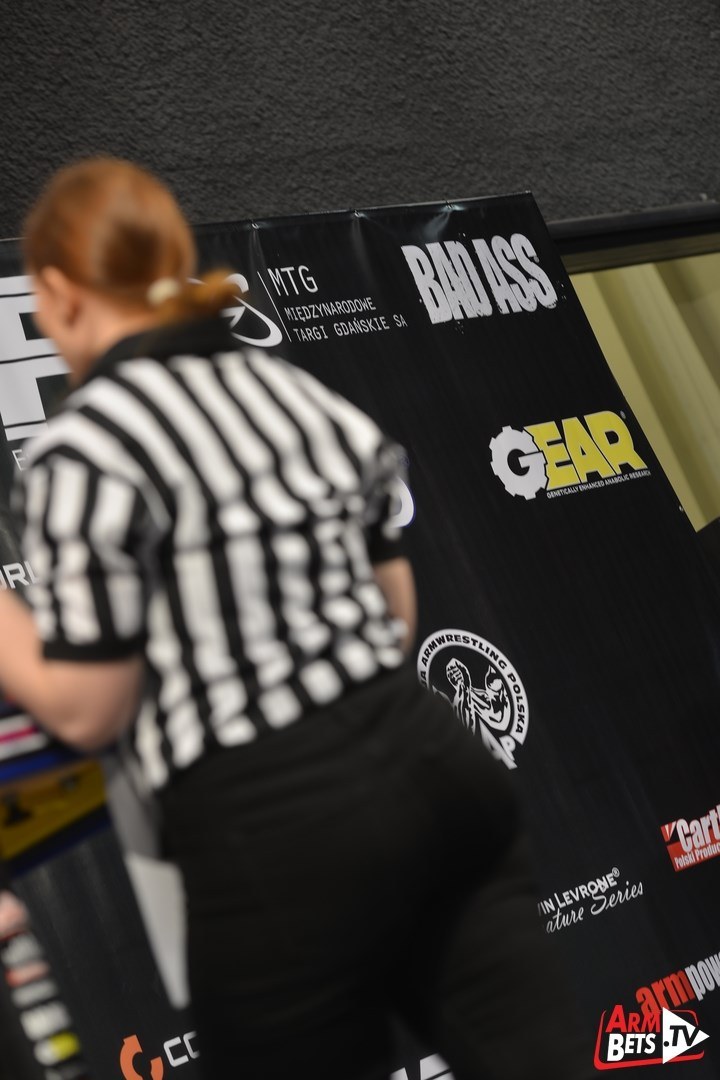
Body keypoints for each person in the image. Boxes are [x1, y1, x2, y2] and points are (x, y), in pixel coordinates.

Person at [0, 158, 591, 1080]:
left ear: (62, 292)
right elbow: (394, 617)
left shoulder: (85, 449)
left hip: (269, 826)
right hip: (432, 768)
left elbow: (88, 708)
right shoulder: (298, 395)